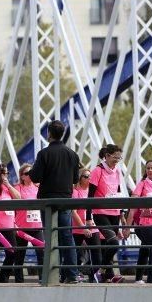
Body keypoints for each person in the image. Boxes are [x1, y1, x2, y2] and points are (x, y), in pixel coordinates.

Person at [28, 120, 81, 284]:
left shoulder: (44, 154)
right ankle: (71, 274)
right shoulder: (72, 154)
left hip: (48, 201)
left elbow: (35, 176)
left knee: (50, 238)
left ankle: (51, 275)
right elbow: (75, 179)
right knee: (67, 237)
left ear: (49, 133)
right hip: (65, 200)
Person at [88, 144, 128, 283]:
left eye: (119, 158)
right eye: (115, 157)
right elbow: (90, 195)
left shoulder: (117, 171)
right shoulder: (97, 171)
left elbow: (118, 192)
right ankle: (100, 270)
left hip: (115, 212)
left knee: (107, 245)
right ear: (107, 156)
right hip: (100, 212)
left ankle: (108, 276)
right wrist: (88, 218)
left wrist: (122, 215)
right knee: (114, 243)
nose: (117, 160)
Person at [72, 167, 103, 283]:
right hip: (77, 229)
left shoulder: (93, 192)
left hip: (93, 226)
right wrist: (83, 227)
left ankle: (92, 276)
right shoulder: (75, 192)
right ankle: (71, 275)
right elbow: (73, 211)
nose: (89, 178)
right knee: (75, 254)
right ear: (79, 178)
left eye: (90, 176)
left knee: (97, 256)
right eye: (85, 176)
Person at [14, 163, 43, 283]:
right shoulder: (17, 188)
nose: (30, 175)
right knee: (20, 255)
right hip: (21, 227)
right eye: (27, 173)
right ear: (22, 176)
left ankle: (43, 278)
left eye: (31, 173)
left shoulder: (38, 188)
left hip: (37, 226)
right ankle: (19, 281)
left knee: (41, 253)